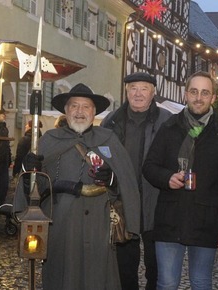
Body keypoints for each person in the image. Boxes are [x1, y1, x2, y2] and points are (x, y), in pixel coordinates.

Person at [23, 83, 141, 289]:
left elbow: (127, 183)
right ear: (66, 111)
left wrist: (111, 178)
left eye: (86, 107)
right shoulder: (49, 140)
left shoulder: (109, 140)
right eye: (74, 106)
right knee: (63, 277)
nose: (79, 112)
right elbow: (36, 187)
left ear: (94, 112)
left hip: (99, 226)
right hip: (61, 225)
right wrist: (28, 170)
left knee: (97, 278)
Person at [142, 71, 218, 290]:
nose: (199, 97)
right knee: (166, 284)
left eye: (205, 93)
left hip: (207, 220)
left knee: (201, 283)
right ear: (185, 94)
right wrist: (167, 178)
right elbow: (149, 167)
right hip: (170, 217)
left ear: (213, 98)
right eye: (194, 92)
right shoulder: (168, 128)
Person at [101, 71, 172, 290]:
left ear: (153, 93)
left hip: (156, 199)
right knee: (124, 266)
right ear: (126, 91)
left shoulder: (167, 120)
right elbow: (101, 156)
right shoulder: (111, 121)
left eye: (144, 89)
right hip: (122, 202)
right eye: (133, 88)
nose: (138, 93)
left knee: (156, 266)